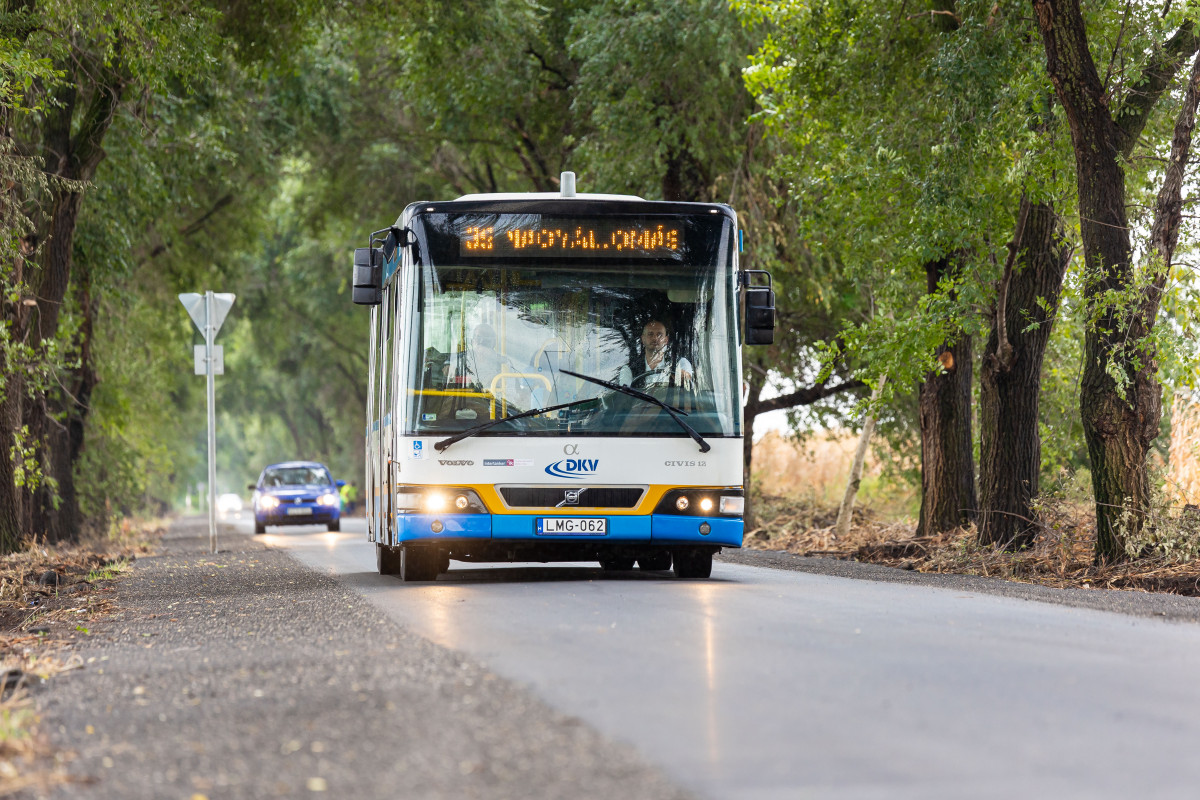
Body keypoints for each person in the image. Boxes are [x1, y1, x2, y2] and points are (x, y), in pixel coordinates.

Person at [618, 319, 693, 390]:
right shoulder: (629, 370)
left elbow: (688, 383)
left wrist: (684, 377)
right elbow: (624, 397)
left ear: (666, 340)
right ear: (643, 339)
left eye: (659, 334)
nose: (655, 338)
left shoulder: (680, 363)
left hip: (669, 404)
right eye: (650, 334)